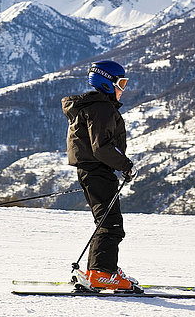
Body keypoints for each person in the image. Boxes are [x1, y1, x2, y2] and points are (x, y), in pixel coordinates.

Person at [61, 60, 138, 291]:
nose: (123, 88)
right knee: (111, 224)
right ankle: (103, 273)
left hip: (93, 171)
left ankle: (101, 270)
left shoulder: (94, 106)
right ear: (106, 82)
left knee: (105, 222)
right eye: (120, 83)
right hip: (97, 170)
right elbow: (102, 147)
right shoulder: (101, 108)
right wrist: (126, 165)